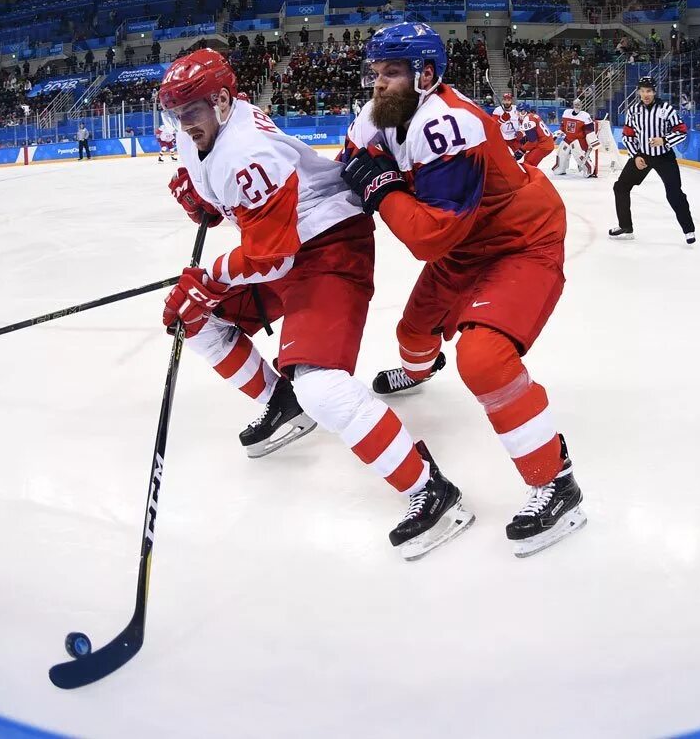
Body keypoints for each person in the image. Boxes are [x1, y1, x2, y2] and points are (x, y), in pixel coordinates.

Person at [156, 49, 468, 561]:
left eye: (190, 109)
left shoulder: (245, 152)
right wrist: (204, 204)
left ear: (220, 99)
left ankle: (433, 492)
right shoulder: (204, 129)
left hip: (329, 241)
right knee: (193, 320)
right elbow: (239, 219)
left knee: (322, 384)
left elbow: (271, 259)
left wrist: (209, 278)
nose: (182, 123)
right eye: (175, 112)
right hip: (287, 244)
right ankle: (283, 403)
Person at [340, 22, 585, 558]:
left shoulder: (446, 123)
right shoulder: (379, 116)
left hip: (520, 241)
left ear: (425, 75)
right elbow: (349, 166)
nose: (379, 84)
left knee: (483, 357)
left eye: (392, 73)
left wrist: (379, 185)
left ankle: (556, 483)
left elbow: (428, 237)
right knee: (411, 333)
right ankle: (423, 368)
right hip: (467, 245)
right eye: (375, 73)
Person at [610, 77, 693, 243]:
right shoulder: (633, 111)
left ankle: (688, 230)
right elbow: (628, 136)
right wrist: (636, 156)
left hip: (664, 157)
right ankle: (626, 226)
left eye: (649, 91)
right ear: (639, 92)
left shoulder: (666, 109)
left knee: (674, 193)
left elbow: (682, 131)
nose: (645, 94)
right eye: (642, 90)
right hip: (643, 156)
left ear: (654, 92)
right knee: (620, 187)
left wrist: (664, 140)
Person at [556, 98, 598, 177]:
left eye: (578, 105)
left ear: (581, 105)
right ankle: (560, 168)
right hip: (568, 138)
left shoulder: (585, 116)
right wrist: (560, 131)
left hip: (578, 140)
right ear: (573, 105)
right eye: (575, 104)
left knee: (579, 155)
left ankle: (589, 170)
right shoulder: (566, 112)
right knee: (561, 152)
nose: (577, 106)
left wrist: (592, 141)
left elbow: (589, 130)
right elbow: (563, 125)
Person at [514, 102, 555, 168]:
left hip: (544, 145)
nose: (517, 113)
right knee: (527, 157)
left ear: (523, 111)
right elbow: (536, 134)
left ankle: (532, 178)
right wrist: (526, 138)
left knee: (528, 163)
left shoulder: (527, 119)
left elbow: (533, 141)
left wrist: (521, 150)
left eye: (518, 111)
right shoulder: (533, 116)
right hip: (546, 142)